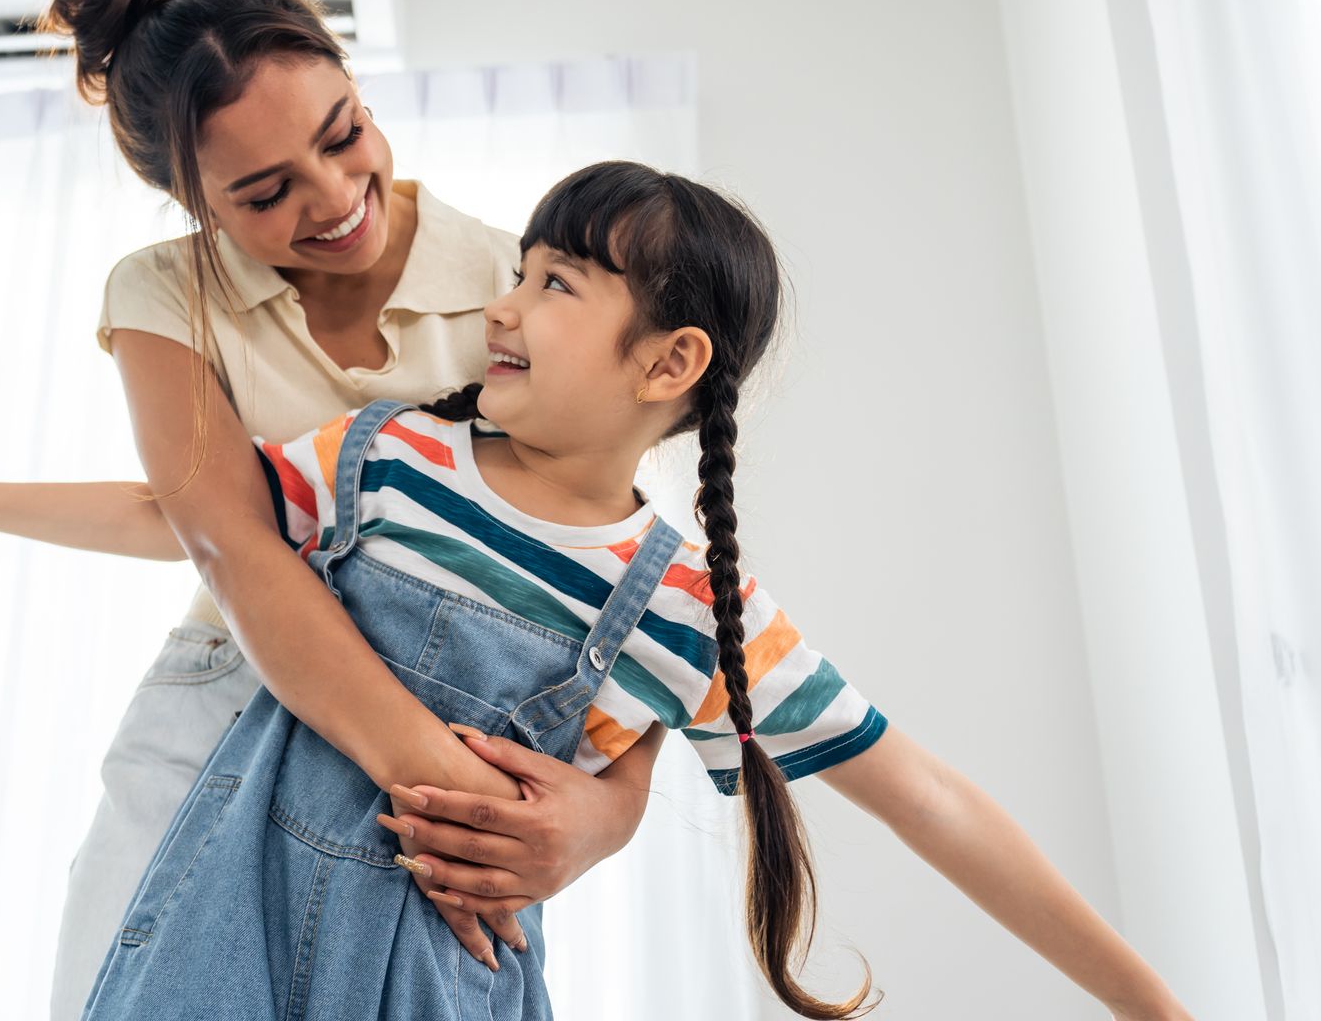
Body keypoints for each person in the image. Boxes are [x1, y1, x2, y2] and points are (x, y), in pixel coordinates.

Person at [73, 160, 1193, 1020]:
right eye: (517, 273)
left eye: (553, 282)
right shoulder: (389, 457)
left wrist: (1151, 1003)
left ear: (668, 364)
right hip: (231, 924)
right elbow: (188, 512)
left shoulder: (696, 609)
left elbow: (926, 796)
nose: (502, 306)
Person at [0, 0, 664, 1017]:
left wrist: (604, 814)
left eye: (344, 134)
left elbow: (613, 554)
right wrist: (448, 783)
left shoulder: (507, 282)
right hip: (246, 700)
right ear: (191, 202)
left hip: (454, 723)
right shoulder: (168, 293)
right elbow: (221, 531)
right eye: (264, 192)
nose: (337, 196)